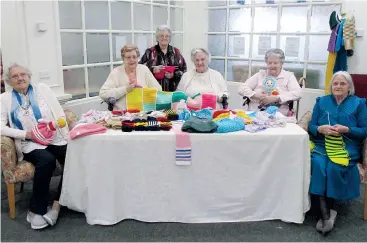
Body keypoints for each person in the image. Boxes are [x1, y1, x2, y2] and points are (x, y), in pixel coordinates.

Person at [0, 63, 70, 229]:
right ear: (9, 81)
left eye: (23, 74)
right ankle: (35, 211)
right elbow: (0, 126)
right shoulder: (4, 98)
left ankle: (57, 204)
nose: (20, 78)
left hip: (54, 137)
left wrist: (57, 127)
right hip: (29, 143)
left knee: (73, 156)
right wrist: (27, 134)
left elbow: (60, 113)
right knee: (47, 160)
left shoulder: (42, 89)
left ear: (29, 76)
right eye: (15, 76)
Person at [308, 71, 367, 235]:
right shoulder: (321, 102)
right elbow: (311, 126)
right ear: (331, 86)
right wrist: (319, 128)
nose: (338, 86)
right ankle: (326, 212)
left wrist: (347, 129)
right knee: (319, 164)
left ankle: (329, 208)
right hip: (322, 144)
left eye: (342, 83)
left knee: (334, 166)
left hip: (346, 146)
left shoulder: (359, 103)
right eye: (335, 83)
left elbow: (364, 131)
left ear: (349, 87)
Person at [238, 48, 302, 116]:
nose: (272, 65)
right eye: (269, 63)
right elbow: (242, 88)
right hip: (255, 113)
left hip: (279, 114)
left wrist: (277, 98)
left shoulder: (288, 76)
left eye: (275, 63)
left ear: (281, 63)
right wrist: (256, 95)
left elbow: (298, 93)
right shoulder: (260, 74)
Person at [99, 44, 162, 110]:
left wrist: (143, 91)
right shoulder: (116, 72)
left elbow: (159, 89)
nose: (132, 60)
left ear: (138, 58)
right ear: (123, 59)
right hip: (121, 114)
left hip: (144, 113)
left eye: (134, 57)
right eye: (128, 57)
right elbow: (103, 93)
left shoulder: (144, 69)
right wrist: (126, 89)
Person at [139, 25, 187, 92]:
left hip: (173, 92)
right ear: (157, 38)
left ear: (169, 38)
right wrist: (152, 70)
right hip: (153, 92)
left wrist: (173, 74)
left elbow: (184, 71)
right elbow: (139, 69)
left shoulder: (176, 52)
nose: (164, 38)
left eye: (167, 36)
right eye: (161, 36)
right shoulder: (150, 52)